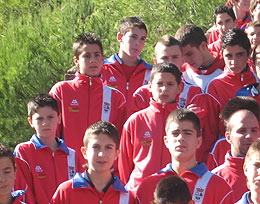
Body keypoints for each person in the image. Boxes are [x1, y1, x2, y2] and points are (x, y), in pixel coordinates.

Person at [50, 33, 127, 158]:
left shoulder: (116, 98)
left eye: (97, 55)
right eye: (87, 56)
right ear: (76, 61)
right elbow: (51, 135)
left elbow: (120, 141)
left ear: (103, 59)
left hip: (101, 168)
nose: (93, 60)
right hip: (67, 166)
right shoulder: (61, 91)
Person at [118, 62, 183, 191]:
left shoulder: (186, 121)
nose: (164, 89)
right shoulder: (135, 121)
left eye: (170, 84)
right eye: (159, 84)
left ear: (179, 88)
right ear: (150, 86)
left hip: (175, 193)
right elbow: (124, 164)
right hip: (139, 191)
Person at [14, 94, 77, 202]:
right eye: (40, 119)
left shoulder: (72, 155)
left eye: (50, 117)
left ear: (59, 118)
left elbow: (78, 192)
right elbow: (21, 191)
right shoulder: (23, 151)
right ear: (30, 122)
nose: (45, 123)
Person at [102, 16, 152, 111]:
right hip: (109, 125)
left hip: (138, 125)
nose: (138, 43)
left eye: (142, 39)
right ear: (120, 37)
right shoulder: (103, 68)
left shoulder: (150, 72)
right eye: (133, 37)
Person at [207, 29, 256, 108]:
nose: (234, 61)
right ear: (222, 55)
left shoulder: (259, 79)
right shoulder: (215, 85)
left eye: (239, 55)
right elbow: (211, 119)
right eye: (229, 56)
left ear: (249, 53)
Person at [176, 24, 224, 93]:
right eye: (182, 56)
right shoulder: (182, 73)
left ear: (203, 46)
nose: (186, 60)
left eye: (189, 54)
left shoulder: (226, 68)